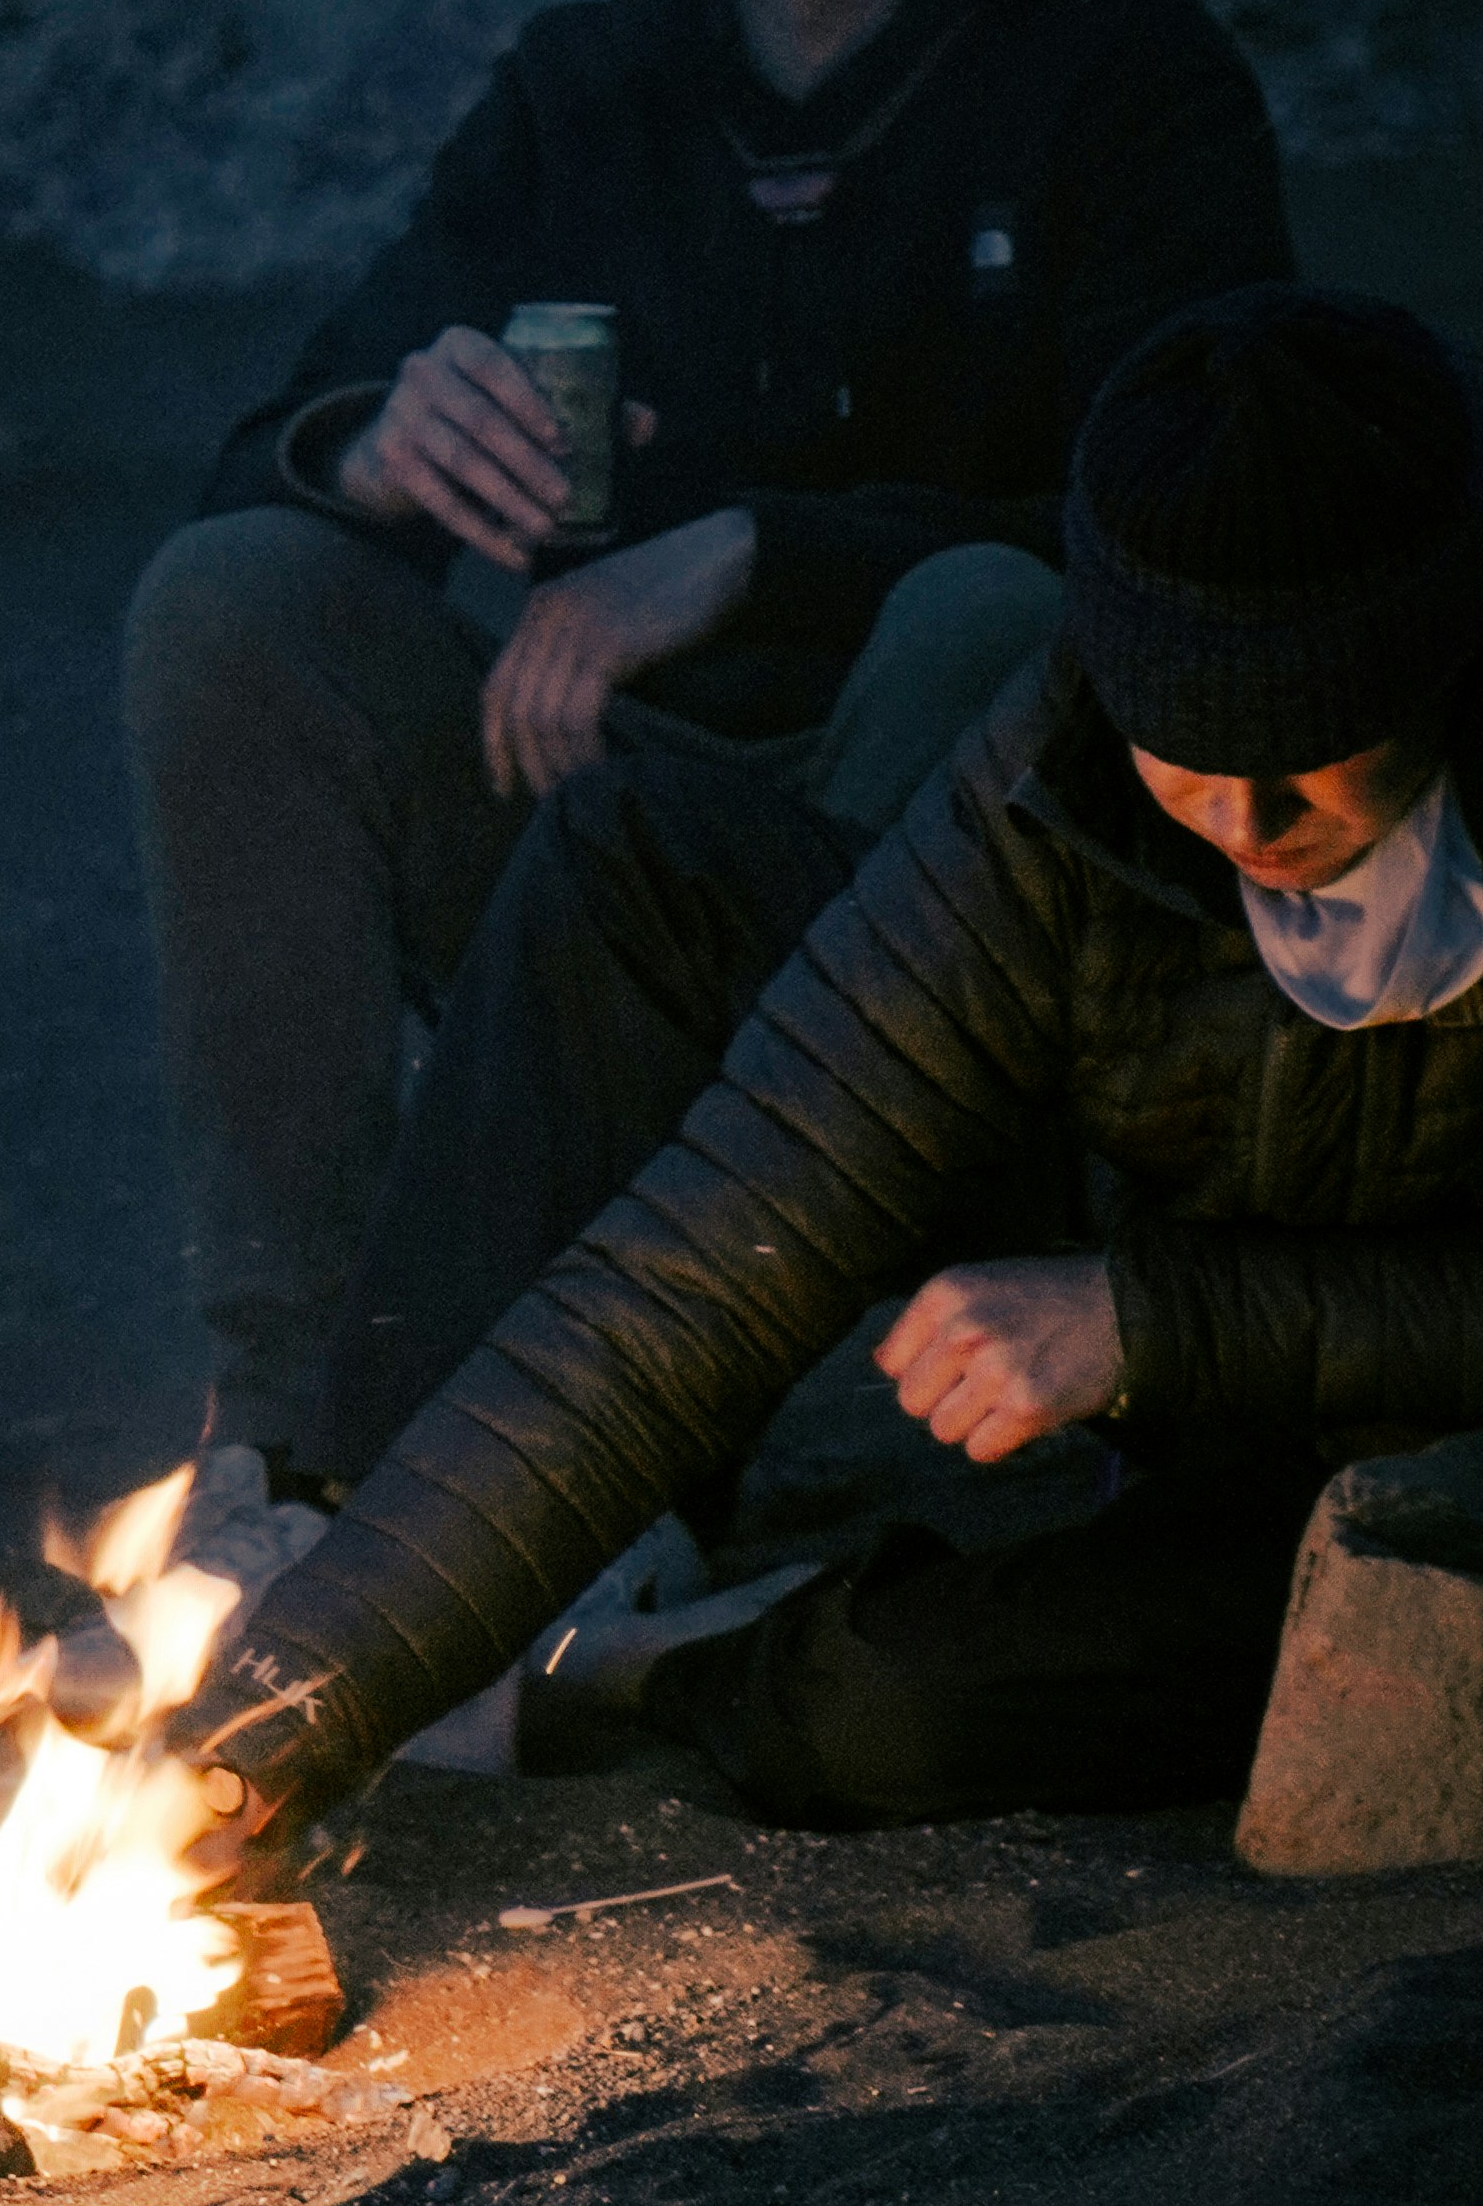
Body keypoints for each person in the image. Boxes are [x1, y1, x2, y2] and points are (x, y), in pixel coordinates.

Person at [122, 0, 1289, 1494]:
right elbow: (277, 436)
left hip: (951, 887)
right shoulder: (583, 94)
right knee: (231, 596)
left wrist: (758, 545)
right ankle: (299, 1438)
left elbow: (1206, 518)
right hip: (587, 850)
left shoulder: (1120, 77)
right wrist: (372, 440)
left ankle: (827, 1387)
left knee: (983, 612)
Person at [169, 288, 1483, 1847]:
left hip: (1420, 1438)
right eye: (1194, 758)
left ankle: (641, 1676)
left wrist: (1156, 1321)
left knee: (891, 1709)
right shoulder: (1057, 783)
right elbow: (700, 1266)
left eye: (1316, 755)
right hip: (1215, 1388)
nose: (1254, 828)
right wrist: (299, 1698)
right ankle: (441, 1609)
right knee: (659, 896)